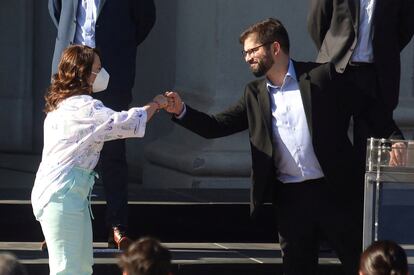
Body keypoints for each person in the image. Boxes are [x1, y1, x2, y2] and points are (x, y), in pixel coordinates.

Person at [164, 18, 369, 275]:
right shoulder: (254, 94)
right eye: (245, 53)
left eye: (253, 50)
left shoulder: (320, 77)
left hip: (334, 192)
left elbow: (365, 105)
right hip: (291, 199)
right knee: (297, 268)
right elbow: (216, 126)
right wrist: (181, 111)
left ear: (275, 48)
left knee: (360, 265)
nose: (247, 57)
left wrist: (391, 137)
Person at [31, 45, 167, 275]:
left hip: (70, 196)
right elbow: (128, 122)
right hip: (61, 197)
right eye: (97, 68)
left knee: (82, 268)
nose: (102, 73)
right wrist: (156, 103)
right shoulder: (85, 109)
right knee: (68, 269)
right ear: (83, 73)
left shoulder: (63, 104)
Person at [48, 0, 156, 249]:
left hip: (112, 70)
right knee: (63, 147)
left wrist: (119, 45)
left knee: (113, 149)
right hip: (71, 71)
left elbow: (144, 19)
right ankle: (58, 224)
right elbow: (58, 12)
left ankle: (117, 225)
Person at [307, 0, 413, 231]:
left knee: (368, 155)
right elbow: (317, 22)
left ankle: (360, 226)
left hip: (375, 75)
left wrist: (382, 52)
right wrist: (334, 52)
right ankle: (328, 226)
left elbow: (405, 28)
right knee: (329, 148)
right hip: (336, 72)